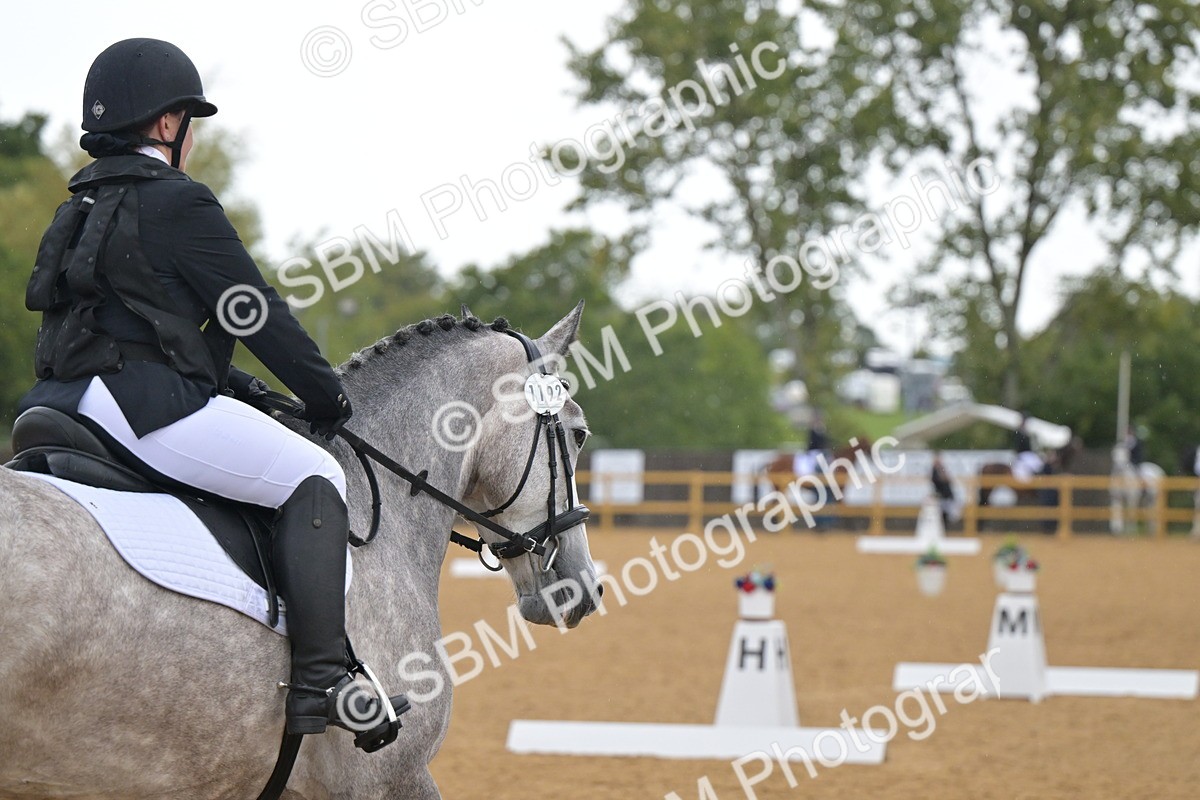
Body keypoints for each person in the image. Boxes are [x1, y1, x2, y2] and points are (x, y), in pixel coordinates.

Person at [19, 39, 400, 741]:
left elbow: (137, 326)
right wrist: (325, 398)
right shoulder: (177, 200)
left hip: (56, 405)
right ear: (168, 125)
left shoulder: (77, 206)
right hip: (135, 410)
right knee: (315, 473)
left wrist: (236, 384)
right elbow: (252, 310)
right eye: (188, 121)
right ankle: (323, 683)